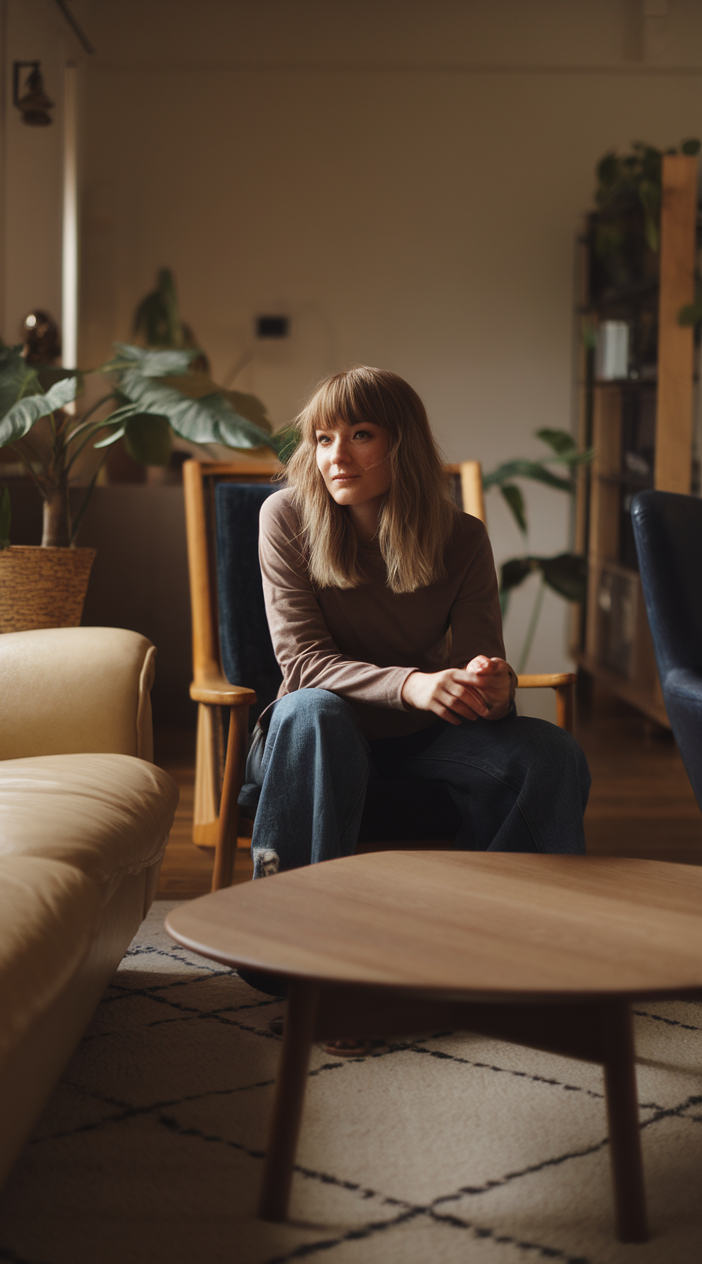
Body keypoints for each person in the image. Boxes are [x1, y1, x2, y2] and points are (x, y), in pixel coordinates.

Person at [243, 366, 590, 880]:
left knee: (549, 751)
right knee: (314, 711)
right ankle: (286, 928)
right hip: (315, 741)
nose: (336, 456)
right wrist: (412, 685)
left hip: (424, 738)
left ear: (401, 444)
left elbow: (480, 664)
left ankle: (516, 925)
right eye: (323, 438)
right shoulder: (285, 517)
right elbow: (303, 664)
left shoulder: (463, 538)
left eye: (360, 434)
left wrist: (493, 686)